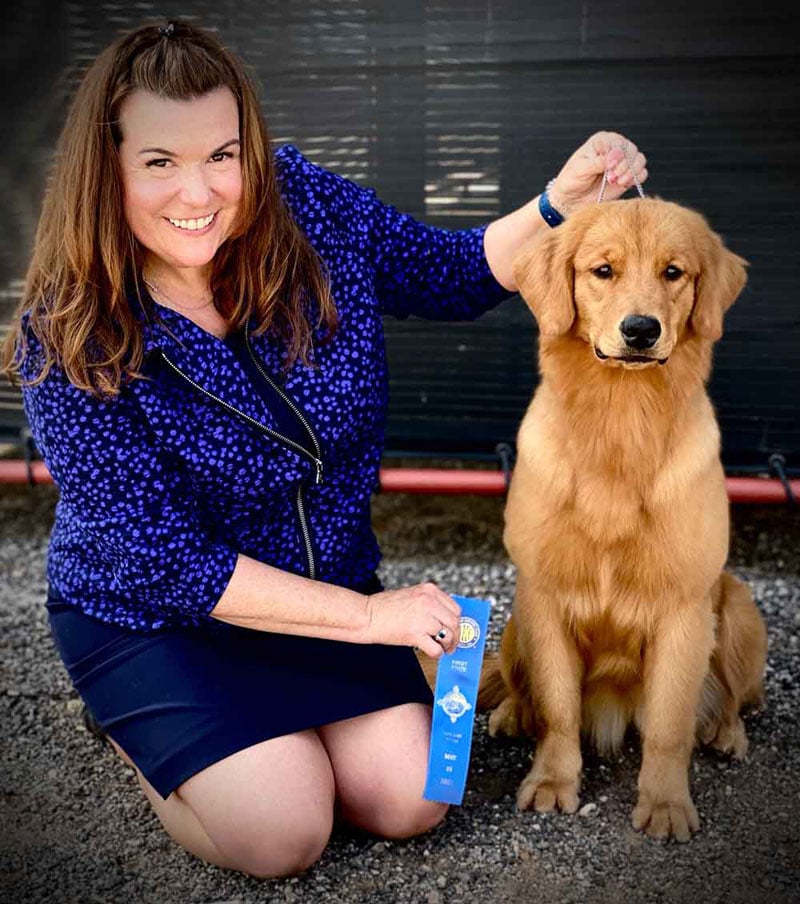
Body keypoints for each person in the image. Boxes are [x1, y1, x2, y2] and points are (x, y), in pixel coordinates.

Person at [2, 19, 647, 879]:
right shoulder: (67, 333)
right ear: (107, 166)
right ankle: (134, 724)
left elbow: (449, 271)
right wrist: (378, 622)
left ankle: (275, 733)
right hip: (157, 617)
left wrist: (559, 202)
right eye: (159, 162)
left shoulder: (304, 203)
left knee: (419, 796)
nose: (198, 192)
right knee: (283, 835)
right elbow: (172, 566)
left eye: (222, 156)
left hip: (320, 588)